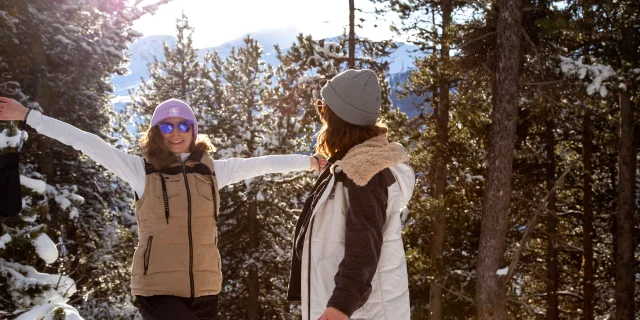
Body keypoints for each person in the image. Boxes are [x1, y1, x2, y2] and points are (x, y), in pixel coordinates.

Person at [0, 97, 325, 320]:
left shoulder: (213, 171)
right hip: (157, 291)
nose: (176, 133)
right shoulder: (141, 170)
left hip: (206, 288)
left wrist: (309, 162)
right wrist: (29, 116)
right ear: (156, 132)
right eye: (166, 127)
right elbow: (86, 142)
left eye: (183, 125)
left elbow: (263, 165)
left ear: (194, 130)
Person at [287, 69, 415, 320]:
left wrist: (341, 306)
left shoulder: (364, 171)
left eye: (323, 107)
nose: (320, 113)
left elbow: (364, 246)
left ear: (338, 117)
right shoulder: (354, 164)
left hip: (360, 312)